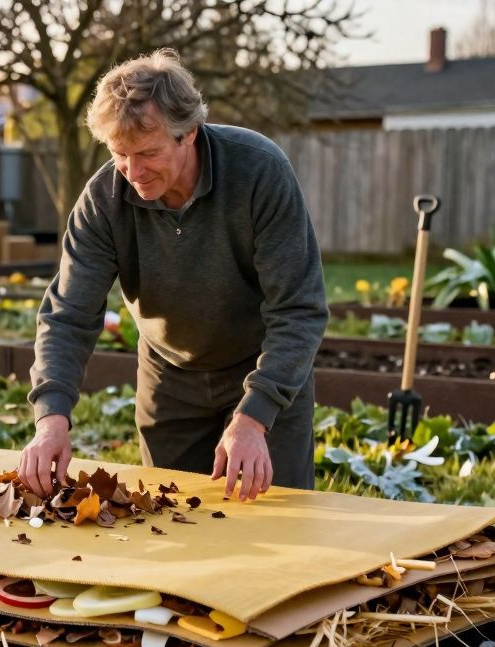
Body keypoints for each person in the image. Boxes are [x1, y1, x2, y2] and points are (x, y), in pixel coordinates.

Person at [17, 48, 327, 502]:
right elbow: (68, 314)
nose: (133, 172)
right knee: (173, 518)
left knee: (280, 519)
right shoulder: (105, 198)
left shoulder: (260, 171)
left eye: (147, 153)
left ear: (189, 134)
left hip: (260, 363)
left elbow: (299, 308)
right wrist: (51, 417)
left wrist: (256, 415)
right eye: (120, 154)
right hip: (169, 375)